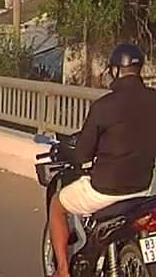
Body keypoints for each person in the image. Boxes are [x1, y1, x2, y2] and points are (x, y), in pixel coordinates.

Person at [49, 43, 156, 277]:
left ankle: (63, 270)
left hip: (105, 191)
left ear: (116, 70)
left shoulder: (103, 106)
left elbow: (83, 155)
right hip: (143, 188)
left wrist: (72, 153)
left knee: (57, 205)